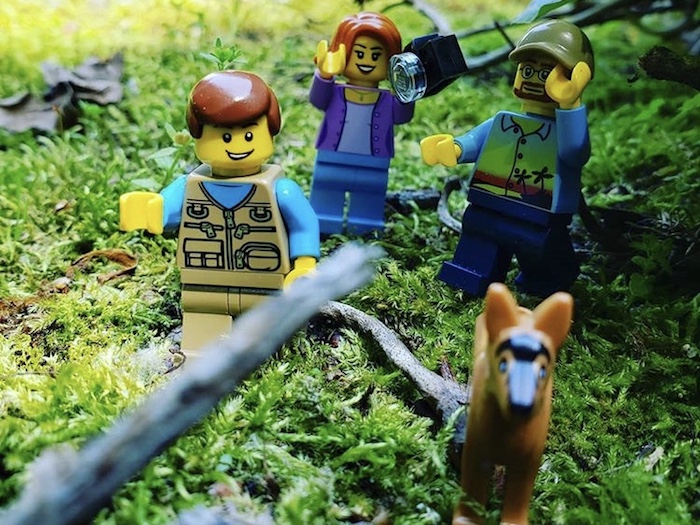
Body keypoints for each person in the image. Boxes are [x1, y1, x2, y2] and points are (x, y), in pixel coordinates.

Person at [120, 70, 320, 357]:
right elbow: (167, 210)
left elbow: (303, 224)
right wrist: (151, 211)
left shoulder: (281, 190)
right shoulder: (190, 186)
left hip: (264, 279)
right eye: (225, 136)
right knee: (203, 324)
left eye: (249, 134)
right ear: (198, 136)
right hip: (204, 278)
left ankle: (266, 359)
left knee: (266, 330)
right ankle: (201, 361)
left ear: (270, 131)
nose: (237, 145)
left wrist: (304, 264)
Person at [421, 19, 594, 297]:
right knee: (479, 238)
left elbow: (575, 154)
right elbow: (474, 141)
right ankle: (470, 274)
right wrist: (453, 148)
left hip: (540, 215)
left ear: (577, 76)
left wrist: (571, 105)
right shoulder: (502, 122)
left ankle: (544, 283)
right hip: (486, 204)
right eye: (528, 70)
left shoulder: (564, 132)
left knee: (543, 254)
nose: (534, 79)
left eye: (546, 72)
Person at [310, 11, 415, 235]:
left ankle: (365, 225)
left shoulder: (388, 99)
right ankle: (323, 222)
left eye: (376, 55)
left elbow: (403, 116)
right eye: (359, 53)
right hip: (331, 158)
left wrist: (407, 89)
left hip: (375, 163)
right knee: (327, 189)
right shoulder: (335, 92)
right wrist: (324, 75)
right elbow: (317, 99)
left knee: (370, 194)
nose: (367, 61)